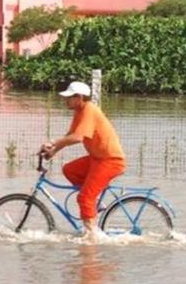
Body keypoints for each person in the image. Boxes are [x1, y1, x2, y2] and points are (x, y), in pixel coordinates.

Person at [39, 81, 126, 240]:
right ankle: (94, 203)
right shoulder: (79, 112)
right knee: (69, 170)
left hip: (110, 160)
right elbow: (70, 135)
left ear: (79, 97)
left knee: (84, 197)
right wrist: (54, 151)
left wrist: (53, 142)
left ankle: (91, 237)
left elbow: (78, 137)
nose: (65, 101)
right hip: (97, 158)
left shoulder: (89, 110)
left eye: (69, 98)